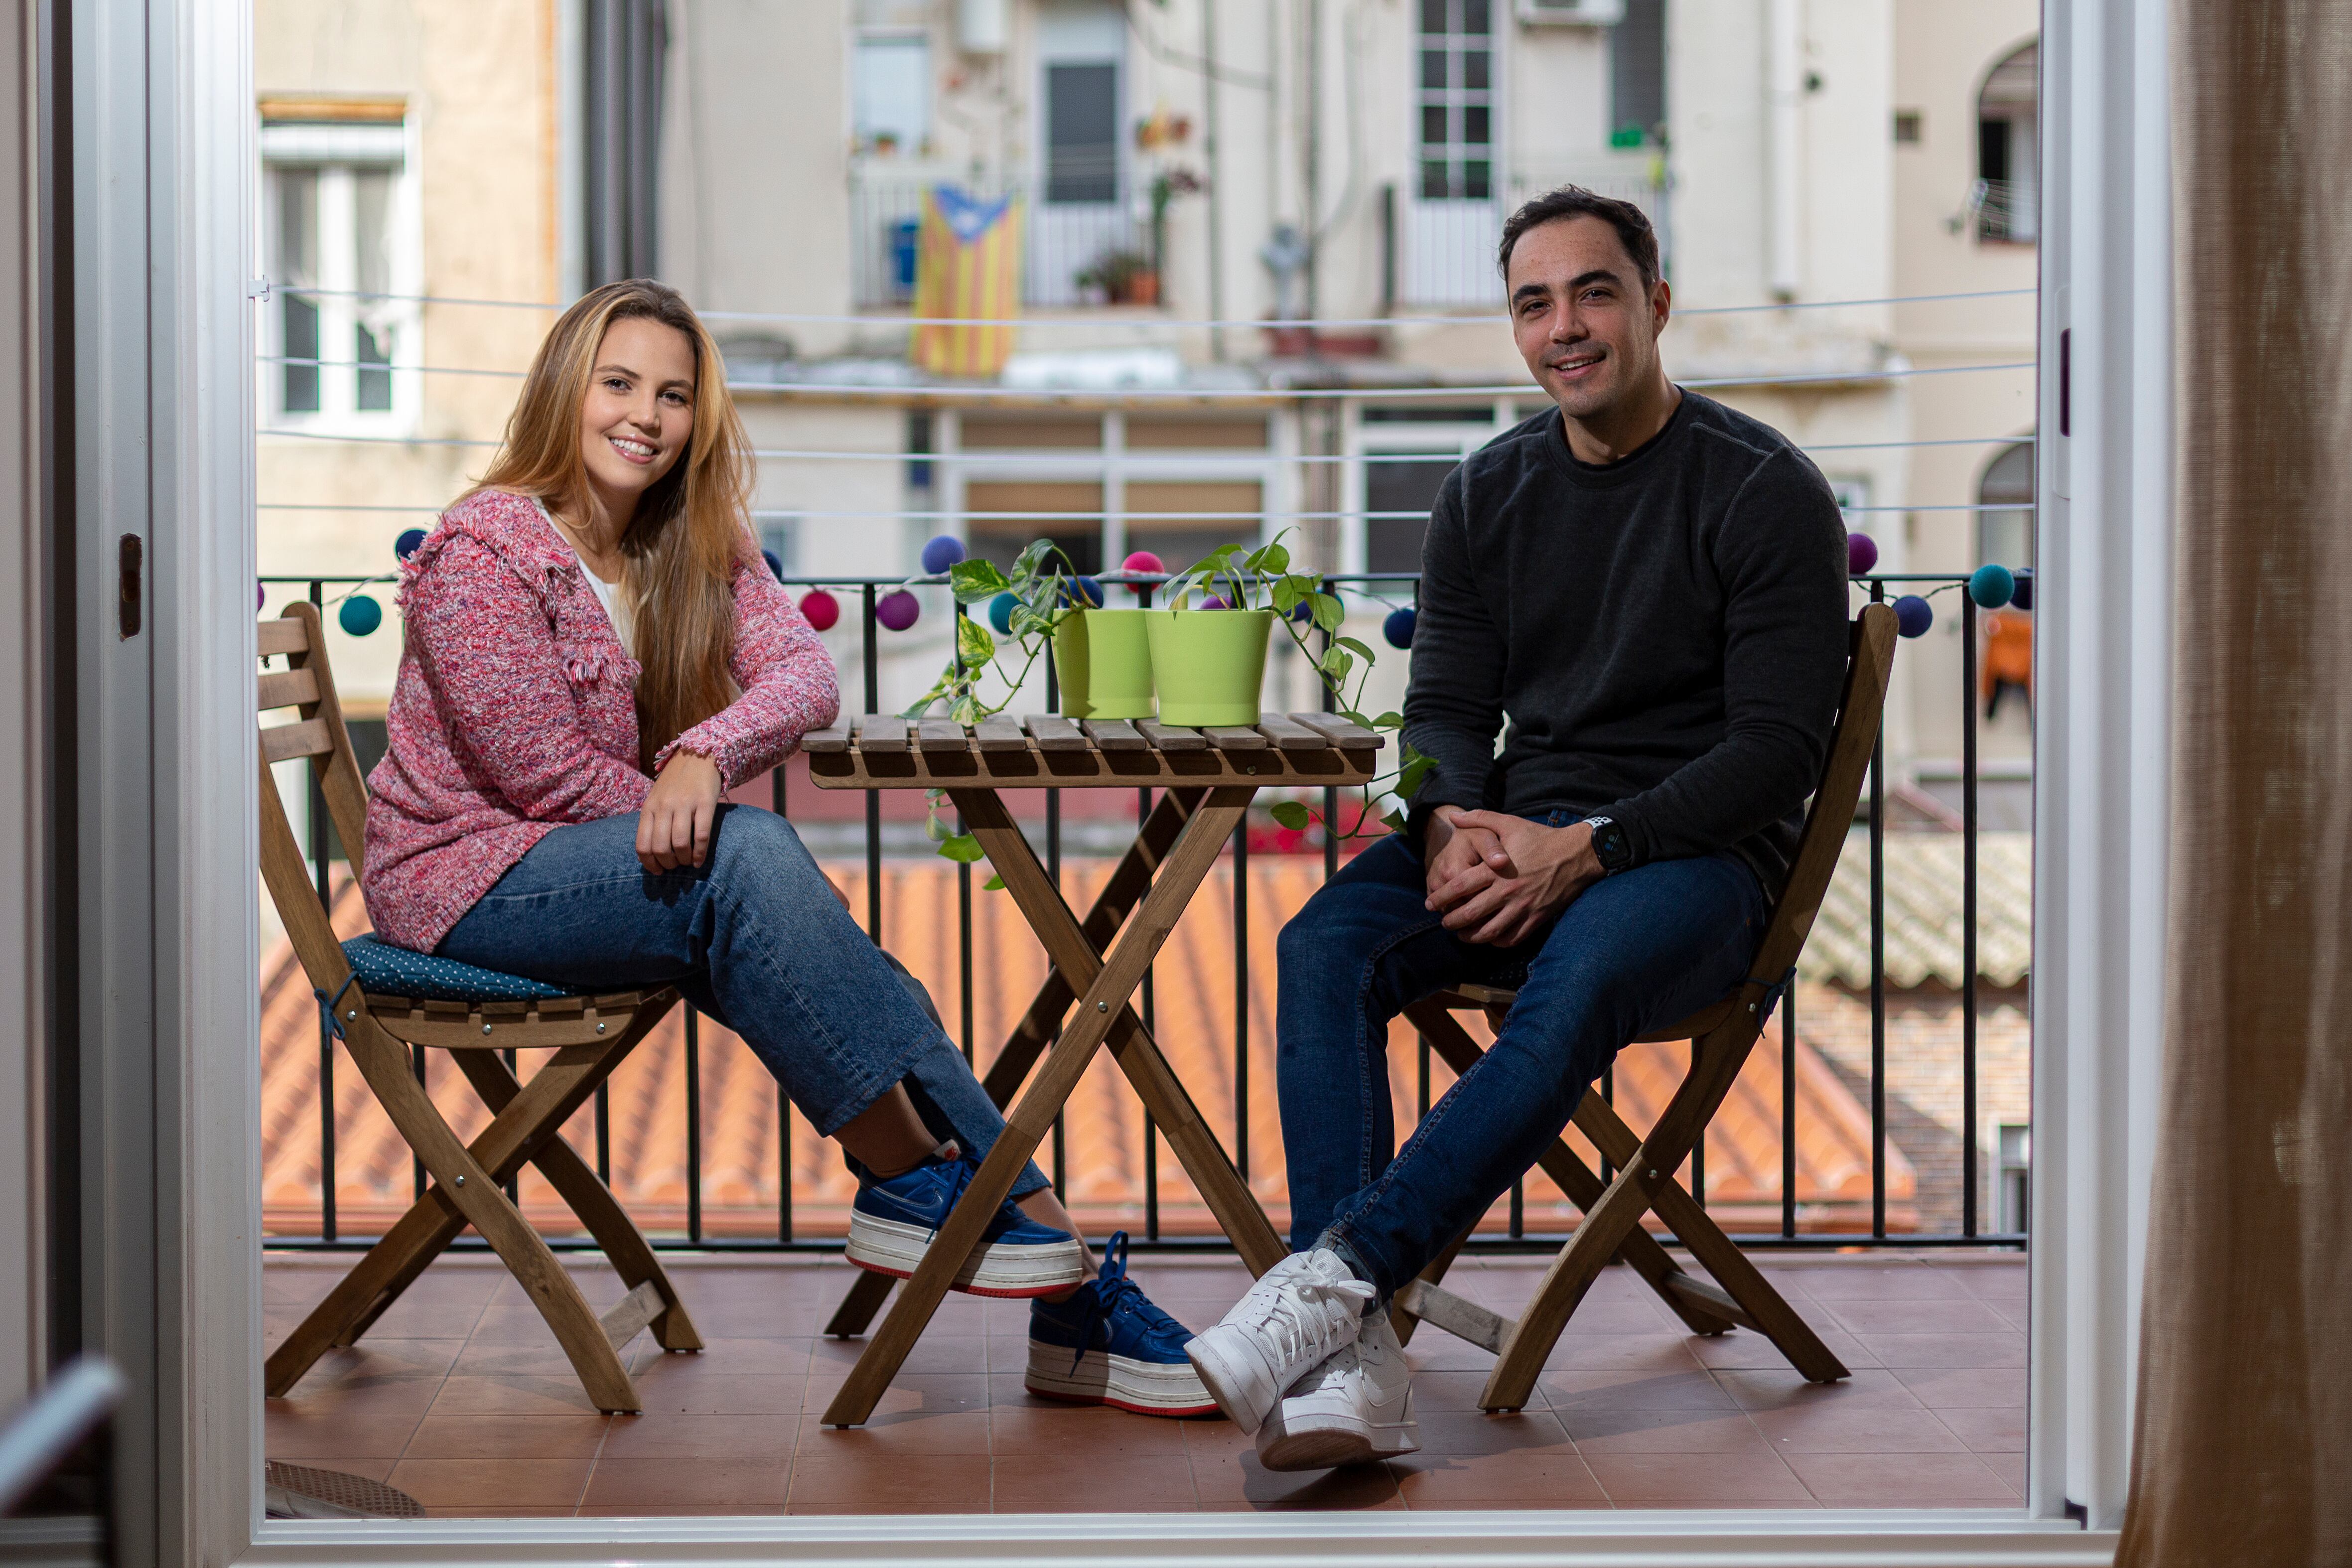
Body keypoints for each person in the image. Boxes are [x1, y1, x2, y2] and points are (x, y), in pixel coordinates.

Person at [360, 278, 1211, 1418]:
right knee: (753, 869)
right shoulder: (486, 552)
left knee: (825, 949)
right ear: (566, 389)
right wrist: (708, 821)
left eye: (673, 394)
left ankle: (1021, 1254)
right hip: (467, 886)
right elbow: (544, 779)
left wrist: (703, 753)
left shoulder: (686, 538)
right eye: (619, 384)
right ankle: (940, 1194)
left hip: (597, 871)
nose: (646, 416)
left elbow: (805, 676)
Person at [1186, 187, 1852, 1468]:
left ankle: (1336, 1285)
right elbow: (1442, 707)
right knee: (1321, 945)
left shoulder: (1763, 489)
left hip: (1694, 864)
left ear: (1656, 305)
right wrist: (1442, 826)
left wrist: (1590, 847)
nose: (1566, 327)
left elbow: (1775, 754)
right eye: (1534, 302)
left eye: (1594, 292)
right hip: (1515, 832)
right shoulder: (1485, 492)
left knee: (1578, 970)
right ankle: (1351, 1358)